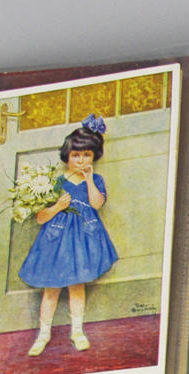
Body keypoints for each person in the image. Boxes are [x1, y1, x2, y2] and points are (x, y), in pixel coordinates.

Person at [18, 114, 118, 356]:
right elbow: (40, 217)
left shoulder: (96, 179)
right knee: (51, 289)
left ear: (93, 156)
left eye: (86, 155)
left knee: (77, 285)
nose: (80, 160)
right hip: (56, 241)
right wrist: (57, 207)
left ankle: (77, 331)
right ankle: (44, 333)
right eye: (75, 155)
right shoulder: (56, 183)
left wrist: (89, 179)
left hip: (84, 240)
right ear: (67, 156)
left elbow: (96, 204)